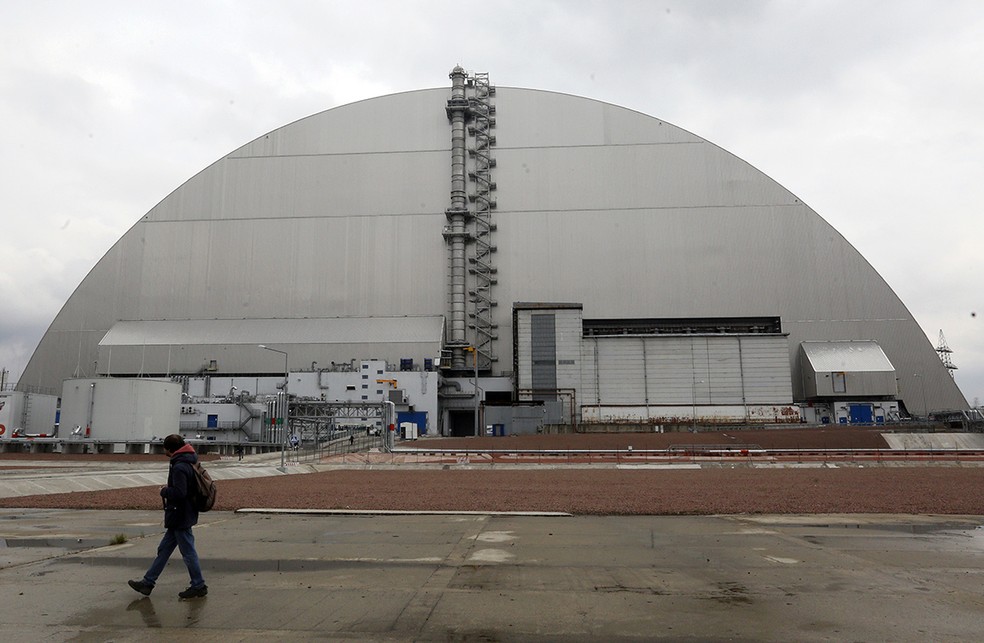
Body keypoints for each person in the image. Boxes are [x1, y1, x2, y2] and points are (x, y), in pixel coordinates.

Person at [128, 434, 208, 599]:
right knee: (164, 550)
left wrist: (164, 491)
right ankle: (147, 582)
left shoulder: (179, 466)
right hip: (183, 514)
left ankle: (198, 585)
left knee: (188, 552)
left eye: (164, 448)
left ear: (170, 449)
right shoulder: (189, 461)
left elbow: (180, 492)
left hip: (180, 515)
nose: (163, 450)